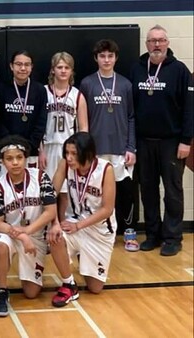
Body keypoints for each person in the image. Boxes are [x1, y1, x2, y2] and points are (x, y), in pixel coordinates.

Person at [129, 25, 193, 256]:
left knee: (173, 191)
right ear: (147, 44)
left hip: (172, 142)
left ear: (167, 43)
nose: (157, 45)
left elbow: (189, 109)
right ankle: (153, 234)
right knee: (148, 190)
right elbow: (131, 109)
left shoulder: (180, 70)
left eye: (161, 40)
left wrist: (186, 141)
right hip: (144, 141)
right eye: (152, 41)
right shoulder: (136, 69)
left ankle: (172, 238)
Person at [0, 135, 57, 317]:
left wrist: (28, 231)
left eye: (19, 157)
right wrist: (22, 235)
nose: (15, 162)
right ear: (2, 162)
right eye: (10, 159)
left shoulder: (41, 177)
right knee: (0, 246)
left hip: (34, 235)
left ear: (26, 158)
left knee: (31, 293)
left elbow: (50, 211)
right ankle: (2, 293)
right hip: (11, 234)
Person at [80, 39, 137, 251]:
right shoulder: (87, 83)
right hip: (96, 149)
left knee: (126, 192)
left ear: (116, 58)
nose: (106, 60)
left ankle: (129, 232)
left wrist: (131, 147)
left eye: (110, 56)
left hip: (121, 148)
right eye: (102, 56)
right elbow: (81, 118)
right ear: (96, 58)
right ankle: (100, 231)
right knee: (96, 193)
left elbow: (132, 117)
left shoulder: (125, 84)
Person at [48, 132, 116, 306]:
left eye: (74, 154)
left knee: (95, 288)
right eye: (67, 153)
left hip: (100, 230)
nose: (69, 158)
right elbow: (50, 195)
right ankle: (68, 283)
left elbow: (107, 209)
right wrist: (55, 223)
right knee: (55, 237)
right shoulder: (65, 165)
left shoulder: (105, 169)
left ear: (88, 153)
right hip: (76, 222)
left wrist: (78, 225)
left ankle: (83, 256)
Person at [0, 50, 47, 177]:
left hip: (30, 152)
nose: (23, 68)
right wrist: (9, 144)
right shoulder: (1, 88)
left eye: (27, 64)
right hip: (7, 151)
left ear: (32, 67)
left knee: (31, 190)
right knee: (7, 190)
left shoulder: (40, 90)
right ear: (11, 66)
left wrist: (28, 146)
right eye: (18, 64)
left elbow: (41, 122)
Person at [41, 51, 88, 181]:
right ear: (52, 70)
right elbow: (37, 125)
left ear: (71, 71)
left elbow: (83, 129)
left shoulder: (77, 95)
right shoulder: (43, 92)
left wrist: (79, 151)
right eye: (59, 67)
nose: (63, 71)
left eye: (67, 68)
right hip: (47, 147)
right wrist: (40, 150)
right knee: (46, 191)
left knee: (66, 193)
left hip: (68, 149)